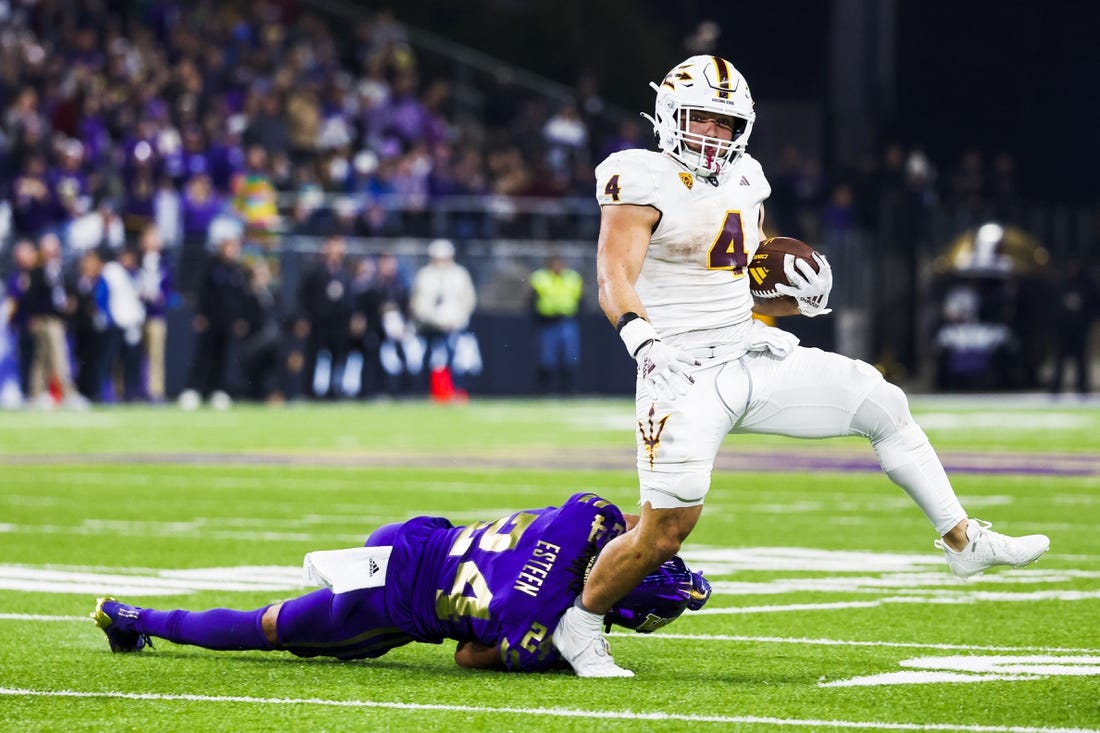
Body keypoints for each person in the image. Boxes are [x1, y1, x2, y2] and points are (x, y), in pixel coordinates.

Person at [550, 55, 1052, 678]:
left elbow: (744, 275)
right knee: (665, 532)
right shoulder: (639, 176)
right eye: (701, 119)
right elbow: (612, 276)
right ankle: (580, 624)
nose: (714, 134)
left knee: (882, 401)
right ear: (669, 116)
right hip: (679, 369)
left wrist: (794, 294)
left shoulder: (746, 178)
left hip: (750, 350)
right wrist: (644, 344)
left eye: (726, 124)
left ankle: (964, 541)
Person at [91, 492, 710, 674]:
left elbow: (634, 525)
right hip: (393, 602)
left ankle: (134, 619)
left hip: (414, 537)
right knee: (272, 627)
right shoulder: (538, 631)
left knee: (285, 620)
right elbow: (467, 656)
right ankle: (136, 619)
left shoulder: (589, 516)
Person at [410, 238, 477, 400]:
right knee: (429, 359)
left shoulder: (459, 274)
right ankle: (430, 391)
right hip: (429, 327)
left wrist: (456, 320)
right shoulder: (425, 275)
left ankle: (455, 390)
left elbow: (468, 300)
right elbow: (418, 303)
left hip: (454, 326)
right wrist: (433, 320)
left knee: (455, 359)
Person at [529, 255, 584, 394]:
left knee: (570, 357)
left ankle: (569, 390)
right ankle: (544, 390)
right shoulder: (540, 278)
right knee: (547, 358)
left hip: (567, 320)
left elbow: (581, 299)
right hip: (548, 322)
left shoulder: (572, 278)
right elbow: (532, 300)